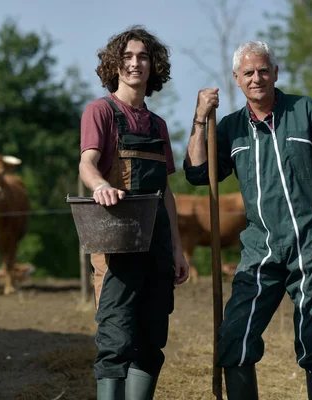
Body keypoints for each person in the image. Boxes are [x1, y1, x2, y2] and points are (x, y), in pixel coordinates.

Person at [184, 41, 312, 400]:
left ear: (275, 74)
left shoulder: (306, 111)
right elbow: (196, 173)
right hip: (260, 247)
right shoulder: (229, 128)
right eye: (249, 73)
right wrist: (199, 117)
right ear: (237, 79)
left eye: (263, 71)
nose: (257, 78)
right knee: (234, 336)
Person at [78, 26, 189, 400]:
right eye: (126, 57)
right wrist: (100, 186)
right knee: (116, 336)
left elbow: (167, 194)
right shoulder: (101, 111)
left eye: (142, 56)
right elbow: (87, 164)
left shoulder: (157, 124)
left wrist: (177, 247)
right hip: (117, 246)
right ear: (115, 64)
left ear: (153, 65)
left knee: (152, 337)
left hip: (156, 247)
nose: (135, 63)